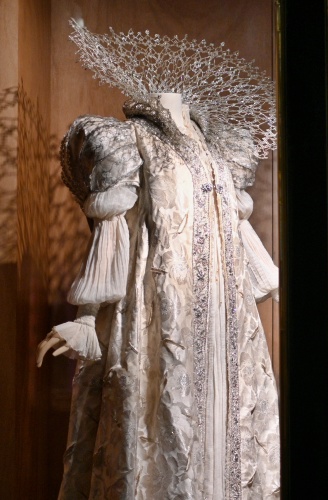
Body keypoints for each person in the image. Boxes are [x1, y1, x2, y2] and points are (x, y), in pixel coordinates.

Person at [35, 22, 280, 499]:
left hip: (227, 321)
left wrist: (299, 296)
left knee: (228, 435)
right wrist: (85, 319)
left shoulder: (222, 153)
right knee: (163, 434)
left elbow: (240, 236)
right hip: (159, 315)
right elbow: (111, 235)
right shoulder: (129, 142)